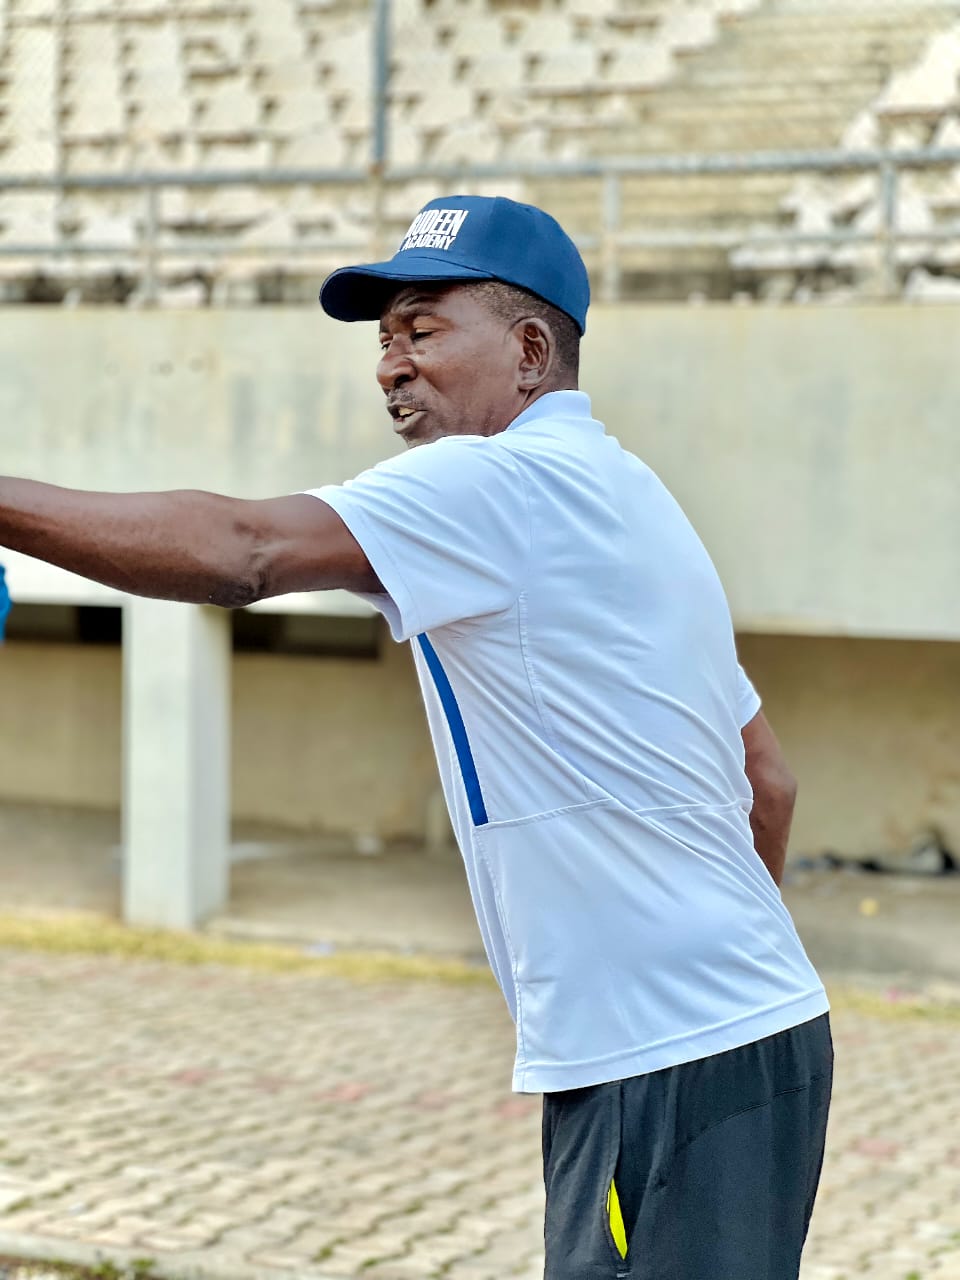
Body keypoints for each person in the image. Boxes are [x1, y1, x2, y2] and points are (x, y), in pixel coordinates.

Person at [0, 194, 831, 1279]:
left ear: (529, 352)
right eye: (384, 339)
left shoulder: (502, 481)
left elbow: (244, 551)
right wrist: (720, 968)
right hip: (755, 1037)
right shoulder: (633, 496)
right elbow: (767, 779)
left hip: (666, 1053)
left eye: (423, 330)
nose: (391, 366)